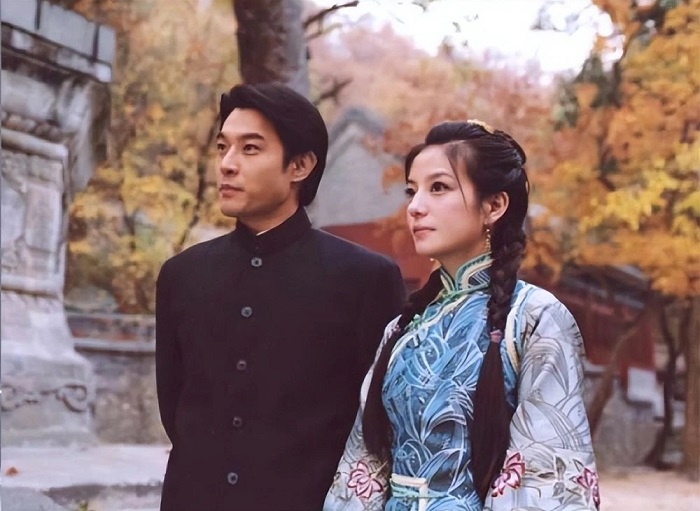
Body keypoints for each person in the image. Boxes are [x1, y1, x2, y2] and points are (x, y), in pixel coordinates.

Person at [324, 120, 600, 511]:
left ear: (494, 206)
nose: (415, 207)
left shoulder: (534, 319)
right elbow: (364, 464)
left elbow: (543, 476)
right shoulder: (402, 329)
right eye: (412, 191)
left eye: (438, 187)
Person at [155, 83, 406, 511]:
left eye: (250, 149)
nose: (227, 164)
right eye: (222, 147)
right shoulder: (182, 275)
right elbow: (175, 409)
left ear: (300, 166)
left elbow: (379, 425)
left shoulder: (366, 279)